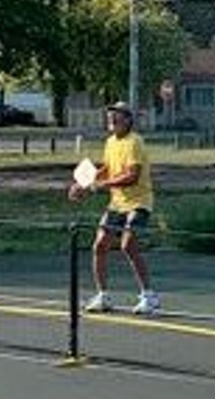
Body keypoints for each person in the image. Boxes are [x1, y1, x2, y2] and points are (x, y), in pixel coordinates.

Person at [68, 102, 160, 315]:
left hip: (139, 202)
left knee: (128, 245)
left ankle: (149, 296)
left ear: (128, 119)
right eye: (110, 116)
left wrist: (99, 186)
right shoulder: (110, 142)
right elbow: (108, 168)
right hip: (116, 204)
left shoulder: (135, 141)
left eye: (116, 116)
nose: (111, 119)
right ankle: (103, 296)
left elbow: (132, 176)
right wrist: (82, 183)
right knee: (100, 245)